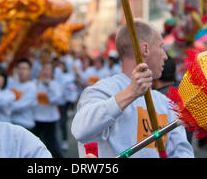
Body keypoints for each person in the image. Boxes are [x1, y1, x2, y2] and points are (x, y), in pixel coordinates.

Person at [71, 21, 194, 158]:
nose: (165, 56)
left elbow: (182, 151)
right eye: (161, 47)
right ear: (145, 49)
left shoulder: (165, 103)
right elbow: (80, 130)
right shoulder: (102, 91)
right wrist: (131, 92)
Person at [33, 61, 63, 158]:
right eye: (44, 69)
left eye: (48, 69)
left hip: (50, 119)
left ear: (52, 72)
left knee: (52, 145)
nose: (45, 72)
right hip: (37, 118)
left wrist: (48, 86)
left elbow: (57, 99)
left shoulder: (55, 84)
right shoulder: (36, 83)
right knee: (36, 144)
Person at [54, 59, 79, 151]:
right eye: (58, 66)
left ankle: (64, 141)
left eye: (61, 66)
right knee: (56, 124)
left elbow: (71, 89)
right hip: (55, 104)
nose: (59, 68)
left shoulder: (68, 77)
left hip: (63, 103)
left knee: (63, 122)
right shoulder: (55, 76)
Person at [10, 58, 38, 132]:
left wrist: (6, 106)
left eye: (24, 69)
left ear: (30, 71)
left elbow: (22, 106)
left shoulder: (32, 87)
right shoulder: (12, 83)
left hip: (26, 124)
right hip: (11, 122)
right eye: (20, 68)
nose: (22, 71)